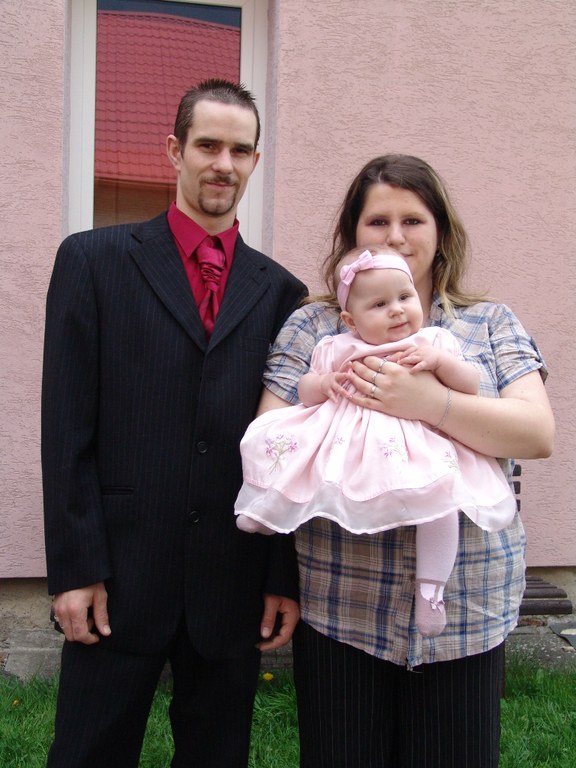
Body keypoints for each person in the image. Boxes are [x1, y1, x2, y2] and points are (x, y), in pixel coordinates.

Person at [41, 79, 306, 768]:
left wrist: (280, 575)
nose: (223, 164)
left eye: (240, 151)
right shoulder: (91, 262)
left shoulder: (283, 293)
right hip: (118, 576)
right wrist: (75, 569)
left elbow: (290, 449)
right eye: (207, 145)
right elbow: (65, 429)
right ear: (174, 150)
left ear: (255, 161)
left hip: (231, 579)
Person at [257, 154, 554, 767]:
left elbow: (535, 432)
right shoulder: (315, 327)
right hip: (343, 605)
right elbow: (270, 436)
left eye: (413, 220)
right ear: (352, 234)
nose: (395, 236)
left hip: (466, 611)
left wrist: (429, 403)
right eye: (378, 221)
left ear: (441, 232)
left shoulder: (486, 325)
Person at [235, 247, 516, 637]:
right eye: (380, 304)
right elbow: (304, 389)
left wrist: (442, 364)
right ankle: (266, 512)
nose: (397, 310)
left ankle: (431, 591)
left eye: (404, 297)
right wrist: (324, 383)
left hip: (419, 443)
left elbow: (469, 385)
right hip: (351, 439)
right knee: (289, 447)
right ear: (350, 320)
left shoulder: (434, 342)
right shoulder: (336, 346)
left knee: (443, 504)